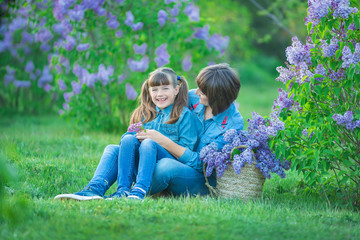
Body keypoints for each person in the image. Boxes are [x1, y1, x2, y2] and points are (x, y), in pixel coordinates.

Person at [54, 67, 198, 201]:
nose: (159, 94)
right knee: (116, 146)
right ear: (149, 91)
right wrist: (131, 135)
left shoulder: (183, 115)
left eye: (165, 88)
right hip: (141, 165)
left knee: (148, 143)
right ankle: (102, 189)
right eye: (154, 89)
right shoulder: (145, 113)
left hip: (165, 166)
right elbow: (128, 143)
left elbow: (185, 150)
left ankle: (139, 191)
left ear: (176, 89)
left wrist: (159, 141)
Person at [145, 63, 243, 196]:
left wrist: (164, 142)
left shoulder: (232, 124)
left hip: (198, 177)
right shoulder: (191, 98)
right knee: (114, 150)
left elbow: (203, 165)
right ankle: (123, 188)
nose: (196, 92)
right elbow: (158, 109)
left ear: (217, 97)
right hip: (167, 156)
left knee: (165, 167)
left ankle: (138, 188)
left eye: (202, 92)